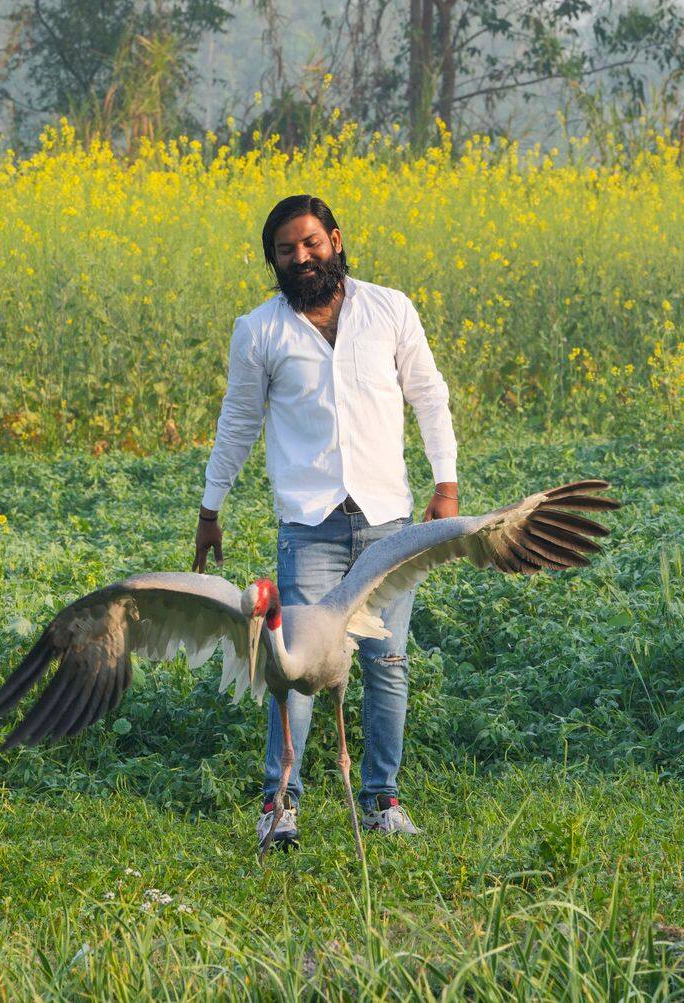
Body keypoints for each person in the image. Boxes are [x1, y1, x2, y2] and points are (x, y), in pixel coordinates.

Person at [193, 194, 458, 851]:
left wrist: (445, 483)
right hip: (308, 526)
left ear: (336, 240)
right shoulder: (259, 330)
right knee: (295, 671)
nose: (301, 256)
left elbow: (428, 393)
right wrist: (210, 505)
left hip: (385, 521)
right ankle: (279, 808)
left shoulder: (389, 309)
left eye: (311, 242)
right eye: (286, 249)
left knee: (387, 661)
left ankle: (381, 801)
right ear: (273, 260)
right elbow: (239, 421)